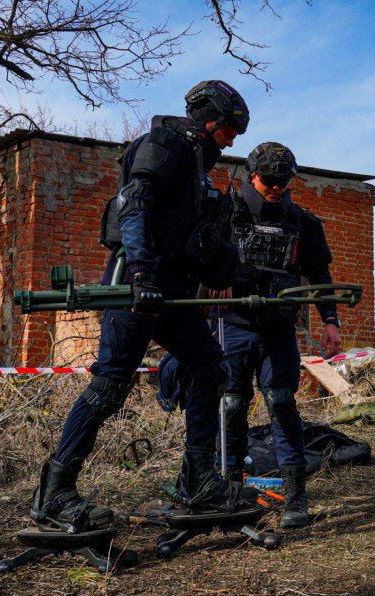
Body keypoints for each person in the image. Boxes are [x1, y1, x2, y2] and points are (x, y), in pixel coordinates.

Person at [30, 80, 255, 531]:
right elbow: (134, 205)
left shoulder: (201, 173)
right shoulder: (164, 144)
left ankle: (199, 481)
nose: (233, 139)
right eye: (230, 129)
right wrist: (140, 273)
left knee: (210, 365)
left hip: (174, 291)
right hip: (138, 287)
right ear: (210, 121)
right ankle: (54, 494)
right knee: (110, 387)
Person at [217, 141, 342, 529]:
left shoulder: (302, 222)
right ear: (252, 174)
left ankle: (295, 497)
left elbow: (319, 273)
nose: (275, 187)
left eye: (283, 180)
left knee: (282, 401)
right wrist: (213, 280)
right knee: (232, 405)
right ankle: (230, 490)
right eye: (269, 180)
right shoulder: (224, 212)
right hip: (232, 325)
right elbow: (196, 255)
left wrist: (330, 320)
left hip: (278, 328)